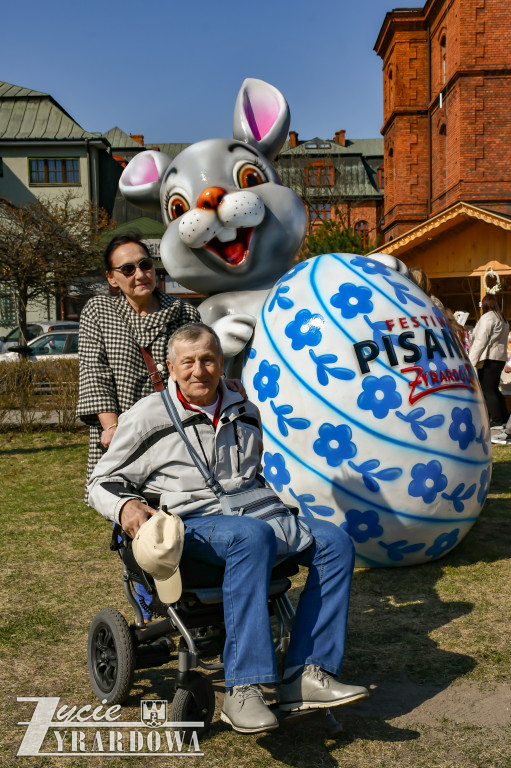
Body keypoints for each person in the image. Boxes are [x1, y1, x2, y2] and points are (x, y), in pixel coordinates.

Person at [88, 323, 368, 735]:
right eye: (188, 362)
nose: (198, 370)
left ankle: (307, 674)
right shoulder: (147, 416)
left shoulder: (244, 408)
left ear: (222, 363)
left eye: (208, 360)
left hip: (250, 515)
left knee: (335, 542)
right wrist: (127, 504)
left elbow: (251, 476)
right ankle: (244, 689)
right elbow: (99, 481)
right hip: (191, 524)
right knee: (252, 537)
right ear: (171, 367)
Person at [77, 232, 242, 621]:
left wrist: (224, 383)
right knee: (131, 510)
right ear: (111, 277)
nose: (140, 274)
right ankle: (150, 595)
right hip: (121, 429)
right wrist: (110, 423)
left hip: (177, 430)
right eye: (128, 268)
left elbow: (202, 359)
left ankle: (200, 589)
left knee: (182, 503)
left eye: (146, 265)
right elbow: (95, 371)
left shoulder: (183, 313)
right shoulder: (98, 312)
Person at [469, 294, 509, 428]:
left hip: (490, 358)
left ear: (485, 304)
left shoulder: (488, 317)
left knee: (487, 390)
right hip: (500, 358)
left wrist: (471, 360)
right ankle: (504, 416)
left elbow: (481, 340)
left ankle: (497, 419)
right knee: (494, 389)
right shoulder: (502, 318)